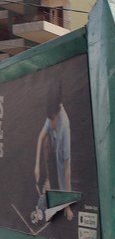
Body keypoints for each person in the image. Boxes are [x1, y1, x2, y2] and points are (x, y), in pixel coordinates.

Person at [33, 79, 73, 221]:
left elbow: (66, 168)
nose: (50, 122)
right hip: (52, 144)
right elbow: (41, 137)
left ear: (58, 113)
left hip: (61, 152)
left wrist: (67, 204)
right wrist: (37, 166)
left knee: (63, 171)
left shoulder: (64, 129)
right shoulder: (52, 111)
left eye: (52, 119)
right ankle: (48, 179)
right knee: (45, 143)